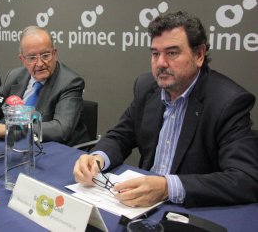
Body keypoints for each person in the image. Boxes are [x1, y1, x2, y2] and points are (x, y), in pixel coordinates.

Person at [73, 11, 258, 208]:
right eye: (155, 54)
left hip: (189, 209)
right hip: (140, 206)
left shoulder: (227, 101)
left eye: (172, 53)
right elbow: (120, 136)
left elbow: (245, 179)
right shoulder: (146, 87)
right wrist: (97, 159)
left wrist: (168, 187)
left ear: (199, 55)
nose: (160, 63)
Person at [0, 25, 90, 146]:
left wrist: (9, 129)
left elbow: (60, 129)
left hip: (54, 150)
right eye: (32, 58)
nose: (39, 63)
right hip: (16, 146)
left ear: (54, 53)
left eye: (45, 55)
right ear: (23, 59)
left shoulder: (70, 82)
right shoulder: (14, 76)